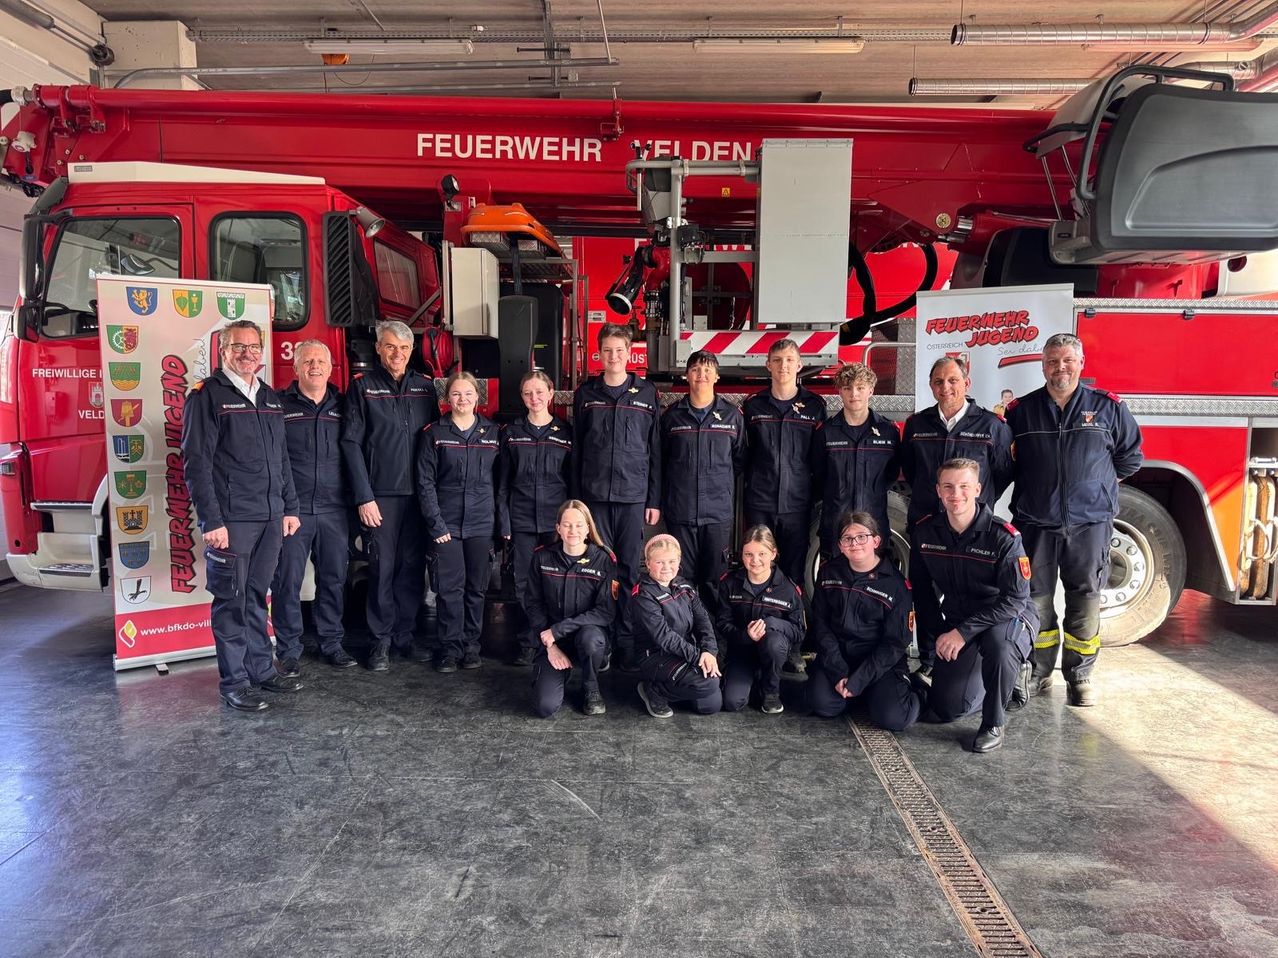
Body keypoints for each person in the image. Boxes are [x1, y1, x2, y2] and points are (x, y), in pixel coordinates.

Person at [1005, 332, 1143, 706]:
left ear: (1081, 363)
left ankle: (1079, 676)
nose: (1060, 368)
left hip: (1090, 525)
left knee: (1085, 600)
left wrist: (1095, 487)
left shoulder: (1108, 408)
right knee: (1036, 599)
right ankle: (1039, 671)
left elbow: (1130, 457)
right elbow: (1007, 462)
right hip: (1036, 523)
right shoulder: (1021, 412)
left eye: (1067, 360)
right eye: (1052, 361)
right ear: (1043, 366)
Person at [181, 320, 303, 712]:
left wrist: (289, 507)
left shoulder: (269, 396)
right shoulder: (206, 396)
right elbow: (196, 463)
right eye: (238, 346)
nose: (247, 353)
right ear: (223, 351)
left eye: (253, 347)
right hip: (232, 520)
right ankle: (234, 682)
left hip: (270, 517)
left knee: (255, 596)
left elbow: (282, 459)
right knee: (230, 600)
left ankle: (261, 671)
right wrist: (211, 521)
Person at [910, 459, 1037, 753]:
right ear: (938, 491)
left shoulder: (1004, 537)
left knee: (999, 646)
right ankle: (999, 680)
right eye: (948, 487)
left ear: (978, 489)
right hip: (960, 617)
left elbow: (1015, 599)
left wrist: (962, 633)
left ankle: (994, 722)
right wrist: (939, 638)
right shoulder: (926, 533)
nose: (956, 494)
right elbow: (922, 590)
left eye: (964, 486)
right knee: (948, 708)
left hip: (1007, 616)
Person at [900, 356, 1013, 680]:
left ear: (967, 383)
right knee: (923, 593)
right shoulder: (917, 425)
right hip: (927, 525)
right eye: (938, 381)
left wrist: (973, 506)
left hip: (971, 532)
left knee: (968, 591)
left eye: (952, 380)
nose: (945, 387)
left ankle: (968, 655)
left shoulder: (992, 426)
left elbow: (1002, 472)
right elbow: (912, 470)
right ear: (931, 386)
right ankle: (930, 657)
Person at [341, 320, 440, 672]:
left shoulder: (425, 387)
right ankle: (380, 640)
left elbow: (436, 440)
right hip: (380, 496)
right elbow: (351, 444)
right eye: (390, 346)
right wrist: (363, 497)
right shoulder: (363, 387)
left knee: (412, 568)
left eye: (404, 348)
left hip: (419, 495)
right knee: (382, 568)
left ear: (411, 351)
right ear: (379, 349)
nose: (397, 354)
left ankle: (404, 636)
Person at [573, 323, 661, 671]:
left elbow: (655, 450)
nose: (613, 356)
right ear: (599, 353)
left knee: (627, 571)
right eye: (607, 350)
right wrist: (576, 502)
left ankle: (625, 640)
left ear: (629, 353)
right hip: (593, 497)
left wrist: (653, 499)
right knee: (598, 570)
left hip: (632, 496)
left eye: (619, 350)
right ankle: (602, 640)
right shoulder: (586, 394)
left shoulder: (647, 393)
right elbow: (578, 450)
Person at [270, 340, 356, 675]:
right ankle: (289, 649)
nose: (315, 367)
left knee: (334, 579)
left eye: (321, 361)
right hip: (294, 510)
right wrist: (283, 504)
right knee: (287, 580)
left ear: (331, 367)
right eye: (307, 361)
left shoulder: (344, 405)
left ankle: (331, 643)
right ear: (295, 368)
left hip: (335, 509)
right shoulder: (279, 405)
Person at [417, 371, 500, 672]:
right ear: (446, 398)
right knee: (449, 590)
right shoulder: (433, 434)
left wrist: (498, 525)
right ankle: (450, 649)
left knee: (476, 589)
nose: (462, 399)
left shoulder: (493, 433)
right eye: (456, 394)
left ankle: (471, 647)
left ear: (478, 397)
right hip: (447, 525)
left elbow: (501, 482)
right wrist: (436, 524)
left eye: (468, 393)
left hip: (481, 524)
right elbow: (425, 483)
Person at [807, 512, 918, 729]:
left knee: (894, 718)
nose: (854, 543)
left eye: (861, 537)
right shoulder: (828, 573)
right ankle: (860, 695)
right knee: (822, 704)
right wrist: (838, 672)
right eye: (847, 538)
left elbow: (895, 643)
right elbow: (821, 625)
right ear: (840, 545)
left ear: (876, 541)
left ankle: (916, 693)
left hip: (879, 663)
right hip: (840, 657)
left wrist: (860, 679)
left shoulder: (896, 585)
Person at [498, 369, 573, 667]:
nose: (534, 398)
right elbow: (503, 482)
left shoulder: (565, 433)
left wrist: (574, 523)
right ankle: (529, 642)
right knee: (524, 584)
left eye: (540, 392)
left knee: (557, 583)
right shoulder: (511, 433)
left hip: (557, 522)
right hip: (522, 519)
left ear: (551, 393)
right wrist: (504, 521)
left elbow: (572, 481)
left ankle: (557, 639)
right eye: (528, 393)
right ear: (522, 397)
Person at [660, 350, 745, 603]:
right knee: (679, 578)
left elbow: (740, 459)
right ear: (687, 375)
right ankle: (683, 626)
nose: (701, 375)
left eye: (708, 370)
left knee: (714, 581)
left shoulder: (732, 416)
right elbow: (661, 460)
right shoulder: (672, 416)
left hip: (717, 515)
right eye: (696, 369)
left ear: (717, 376)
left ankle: (713, 628)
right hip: (681, 512)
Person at [741, 339, 824, 589]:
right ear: (768, 365)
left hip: (797, 503)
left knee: (793, 571)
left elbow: (820, 458)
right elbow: (743, 453)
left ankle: (792, 614)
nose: (783, 366)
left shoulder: (815, 406)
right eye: (777, 360)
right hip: (760, 501)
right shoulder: (753, 405)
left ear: (799, 365)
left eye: (789, 360)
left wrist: (812, 492)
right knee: (757, 566)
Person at [525, 500, 617, 718]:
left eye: (578, 525)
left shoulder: (603, 559)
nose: (573, 530)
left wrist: (558, 630)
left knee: (591, 639)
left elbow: (605, 612)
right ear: (558, 528)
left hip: (587, 636)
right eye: (567, 525)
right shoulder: (542, 557)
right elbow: (533, 604)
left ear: (588, 528)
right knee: (545, 707)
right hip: (552, 641)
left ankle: (591, 686)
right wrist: (551, 646)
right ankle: (561, 670)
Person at [811, 362, 900, 561]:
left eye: (860, 387)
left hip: (873, 525)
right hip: (835, 525)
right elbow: (819, 475)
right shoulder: (826, 432)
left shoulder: (888, 431)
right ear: (840, 392)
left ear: (871, 390)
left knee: (874, 577)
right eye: (847, 388)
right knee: (833, 577)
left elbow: (891, 474)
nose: (854, 394)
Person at [715, 526, 805, 715]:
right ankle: (753, 677)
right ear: (742, 555)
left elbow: (799, 631)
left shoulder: (788, 589)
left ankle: (771, 691)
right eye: (749, 554)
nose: (755, 560)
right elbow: (722, 624)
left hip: (774, 651)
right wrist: (745, 635)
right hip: (741, 651)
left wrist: (773, 624)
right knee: (732, 702)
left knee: (773, 642)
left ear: (773, 553)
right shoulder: (729, 583)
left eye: (762, 554)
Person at [631, 534, 723, 718]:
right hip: (656, 655)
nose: (666, 567)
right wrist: (698, 657)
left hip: (685, 651)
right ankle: (655, 691)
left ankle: (676, 686)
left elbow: (703, 621)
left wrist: (709, 651)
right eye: (659, 562)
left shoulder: (684, 586)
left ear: (679, 561)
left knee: (710, 705)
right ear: (648, 563)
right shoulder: (643, 594)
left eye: (672, 561)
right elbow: (664, 637)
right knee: (708, 684)